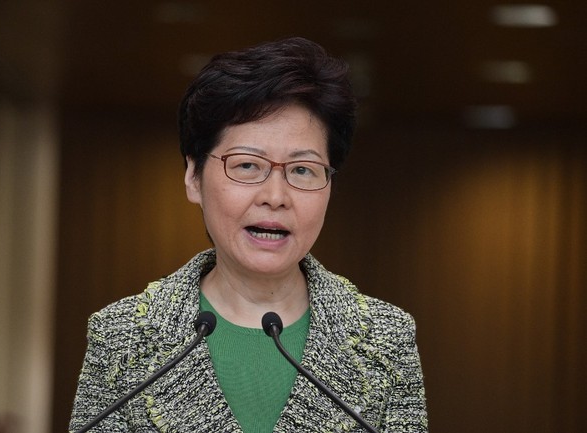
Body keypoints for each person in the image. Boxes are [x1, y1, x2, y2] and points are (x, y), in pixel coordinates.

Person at [69, 37, 428, 433]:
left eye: (303, 170)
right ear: (193, 177)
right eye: (246, 166)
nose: (275, 197)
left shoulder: (386, 339)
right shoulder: (121, 337)